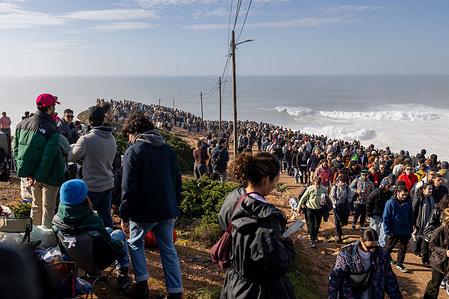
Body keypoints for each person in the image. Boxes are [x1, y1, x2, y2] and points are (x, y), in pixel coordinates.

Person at [120, 111, 183, 298]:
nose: (130, 140)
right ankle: (175, 292)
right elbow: (177, 180)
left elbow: (128, 187)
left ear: (135, 132)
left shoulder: (134, 151)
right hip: (167, 209)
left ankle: (141, 286)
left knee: (134, 242)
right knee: (168, 249)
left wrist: (124, 215)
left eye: (130, 136)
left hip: (143, 211)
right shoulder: (168, 149)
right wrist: (176, 205)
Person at [218, 152, 297, 298]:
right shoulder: (267, 217)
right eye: (276, 181)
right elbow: (277, 265)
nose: (275, 185)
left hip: (234, 282)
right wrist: (289, 243)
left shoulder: (233, 198)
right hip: (260, 290)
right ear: (266, 180)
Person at [52, 179, 132, 289]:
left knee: (107, 230)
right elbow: (108, 243)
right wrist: (120, 245)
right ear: (83, 198)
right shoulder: (93, 221)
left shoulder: (56, 219)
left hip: (75, 260)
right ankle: (123, 274)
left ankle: (93, 273)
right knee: (119, 233)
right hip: (96, 262)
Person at [14, 93, 64, 228]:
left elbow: (17, 151)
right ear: (51, 107)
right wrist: (39, 177)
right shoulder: (52, 129)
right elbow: (48, 158)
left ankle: (33, 235)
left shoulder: (21, 125)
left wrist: (29, 174)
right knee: (48, 208)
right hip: (50, 176)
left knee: (36, 206)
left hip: (32, 175)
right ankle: (45, 240)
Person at [67, 106, 116, 229]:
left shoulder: (86, 139)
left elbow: (71, 157)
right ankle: (108, 242)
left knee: (87, 218)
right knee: (106, 217)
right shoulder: (111, 137)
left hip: (92, 186)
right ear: (103, 120)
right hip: (108, 183)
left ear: (89, 121)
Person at [327, 228, 402, 298]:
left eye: (375, 246)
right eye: (369, 247)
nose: (372, 250)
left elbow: (389, 278)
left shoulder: (381, 254)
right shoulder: (347, 253)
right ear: (361, 240)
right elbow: (335, 278)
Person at [383, 184, 414, 273]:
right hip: (393, 230)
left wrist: (411, 227)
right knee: (389, 247)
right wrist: (387, 231)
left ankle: (400, 263)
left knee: (402, 249)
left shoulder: (408, 202)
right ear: (397, 193)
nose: (404, 197)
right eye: (402, 195)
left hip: (405, 230)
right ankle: (385, 259)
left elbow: (411, 216)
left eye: (406, 195)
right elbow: (386, 218)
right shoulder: (390, 203)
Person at [423, 208, 449, 299]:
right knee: (434, 285)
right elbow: (432, 246)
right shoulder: (438, 231)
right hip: (439, 262)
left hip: (447, 262)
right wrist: (445, 252)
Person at [298, 176, 328, 248]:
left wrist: (325, 200)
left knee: (317, 225)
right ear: (314, 182)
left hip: (319, 209)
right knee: (311, 224)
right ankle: (312, 240)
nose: (317, 186)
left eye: (318, 184)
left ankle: (315, 235)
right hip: (310, 208)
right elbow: (303, 197)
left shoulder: (323, 189)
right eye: (316, 184)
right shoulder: (310, 188)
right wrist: (299, 206)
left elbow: (326, 198)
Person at [412, 181, 435, 265]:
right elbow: (414, 210)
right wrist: (413, 222)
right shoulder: (420, 198)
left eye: (431, 189)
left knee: (422, 237)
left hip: (429, 223)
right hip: (420, 222)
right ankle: (424, 257)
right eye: (429, 189)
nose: (430, 191)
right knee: (423, 238)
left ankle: (419, 251)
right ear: (424, 190)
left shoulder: (431, 198)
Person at [366, 179, 393, 247]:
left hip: (385, 215)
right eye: (388, 186)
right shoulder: (375, 193)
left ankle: (382, 245)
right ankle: (371, 244)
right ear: (383, 186)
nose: (389, 187)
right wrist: (369, 214)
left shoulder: (390, 194)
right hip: (376, 215)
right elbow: (369, 203)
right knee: (374, 231)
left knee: (384, 231)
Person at [330, 174, 353, 243]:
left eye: (344, 182)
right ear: (339, 181)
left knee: (345, 220)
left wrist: (347, 202)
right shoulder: (335, 187)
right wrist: (335, 203)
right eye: (341, 182)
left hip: (345, 206)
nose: (343, 183)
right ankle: (338, 236)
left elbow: (350, 196)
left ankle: (342, 224)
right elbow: (332, 196)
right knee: (337, 221)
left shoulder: (347, 188)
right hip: (337, 206)